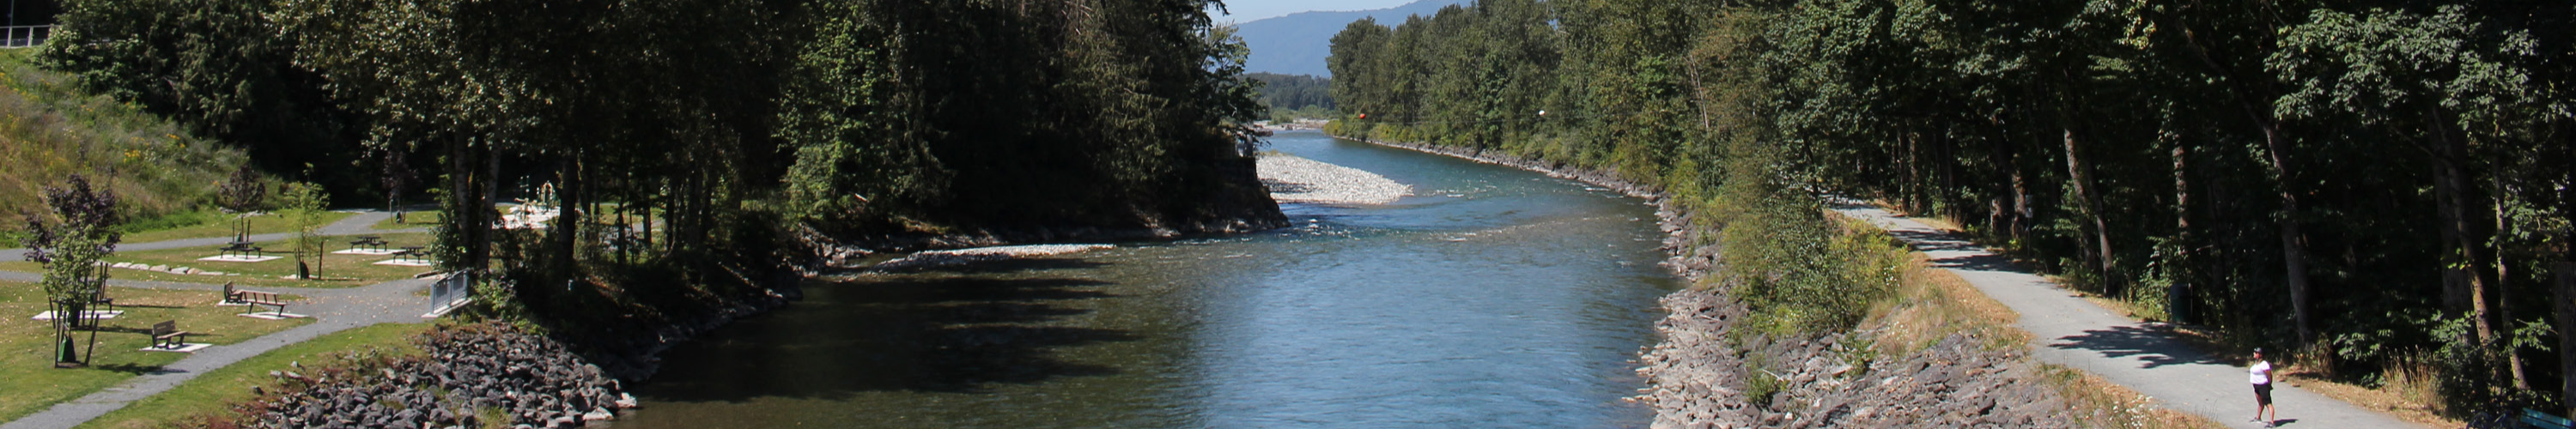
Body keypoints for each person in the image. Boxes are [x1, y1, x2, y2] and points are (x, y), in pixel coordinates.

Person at [2250, 347, 2277, 427]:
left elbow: (2269, 374)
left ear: (2260, 355)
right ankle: (2258, 417)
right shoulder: (2256, 364)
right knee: (2260, 403)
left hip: (2263, 386)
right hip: (2256, 386)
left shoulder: (2264, 364)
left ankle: (2272, 422)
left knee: (2268, 403)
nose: (2254, 354)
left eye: (2256, 352)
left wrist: (2269, 384)